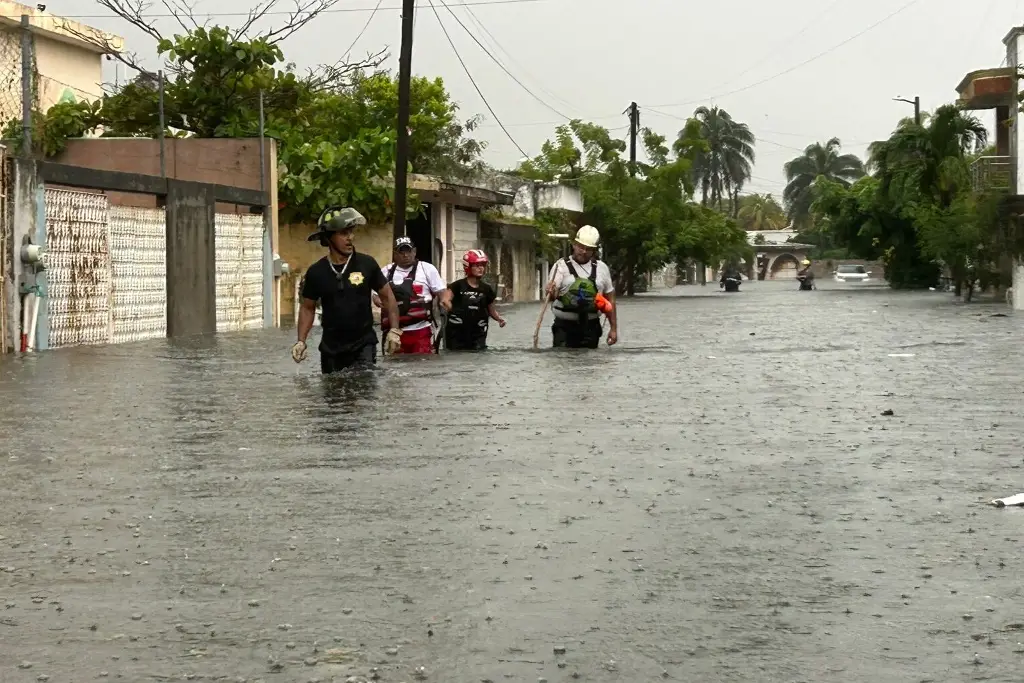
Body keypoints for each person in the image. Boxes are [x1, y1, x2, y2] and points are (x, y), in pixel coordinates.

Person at [292, 206, 404, 373]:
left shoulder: (367, 264)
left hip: (363, 345)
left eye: (351, 232)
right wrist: (301, 341)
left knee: (362, 392)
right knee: (333, 396)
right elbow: (308, 308)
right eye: (344, 233)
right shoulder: (316, 272)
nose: (350, 238)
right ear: (329, 238)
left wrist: (394, 330)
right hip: (331, 350)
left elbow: (388, 297)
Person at [375, 236, 451, 354]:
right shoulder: (385, 272)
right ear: (395, 254)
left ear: (414, 252)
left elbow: (442, 291)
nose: (405, 255)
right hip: (394, 333)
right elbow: (375, 294)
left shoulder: (427, 269)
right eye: (401, 252)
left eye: (408, 251)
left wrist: (445, 299)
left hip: (421, 331)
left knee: (423, 366)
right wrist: (377, 300)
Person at [545, 225, 617, 349]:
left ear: (594, 250)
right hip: (564, 328)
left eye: (588, 249)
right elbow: (552, 296)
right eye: (581, 247)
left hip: (591, 327)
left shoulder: (602, 268)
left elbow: (610, 300)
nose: (583, 251)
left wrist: (613, 329)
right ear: (574, 245)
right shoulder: (560, 266)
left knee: (590, 364)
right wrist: (550, 291)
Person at [443, 249, 506, 351]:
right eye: (477, 265)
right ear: (468, 267)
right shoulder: (457, 286)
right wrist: (448, 307)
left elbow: (491, 309)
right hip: (456, 334)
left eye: (482, 265)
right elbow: (445, 300)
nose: (481, 268)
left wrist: (499, 319)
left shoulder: (487, 289)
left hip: (478, 334)